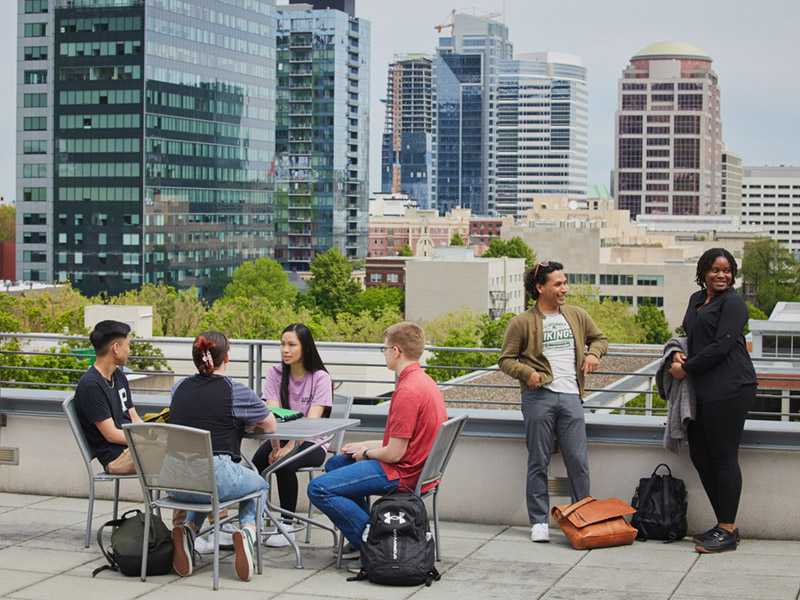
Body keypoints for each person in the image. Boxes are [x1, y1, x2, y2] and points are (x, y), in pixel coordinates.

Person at [307, 322, 447, 572]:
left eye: (383, 349)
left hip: (402, 473)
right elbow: (401, 441)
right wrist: (362, 445)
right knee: (336, 463)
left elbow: (394, 453)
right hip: (415, 467)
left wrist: (365, 454)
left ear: (396, 351)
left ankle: (372, 543)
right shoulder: (424, 382)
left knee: (318, 489)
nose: (383, 354)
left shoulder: (407, 391)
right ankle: (362, 536)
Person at [499, 261, 608, 543]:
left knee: (578, 462)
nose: (564, 289)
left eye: (564, 282)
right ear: (540, 288)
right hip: (538, 397)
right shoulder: (521, 323)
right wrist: (528, 374)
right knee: (538, 461)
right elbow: (506, 360)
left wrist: (594, 354)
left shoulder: (577, 315)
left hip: (571, 396)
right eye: (558, 284)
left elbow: (600, 338)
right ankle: (538, 521)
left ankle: (582, 517)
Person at [168, 330, 277, 582]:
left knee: (205, 488)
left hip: (173, 480)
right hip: (215, 475)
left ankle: (187, 531)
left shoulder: (178, 388)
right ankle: (248, 532)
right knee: (258, 485)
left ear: (195, 358)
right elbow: (269, 425)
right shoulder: (235, 391)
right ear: (226, 357)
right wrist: (245, 424)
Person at [668, 248, 756, 553]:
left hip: (731, 386)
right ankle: (724, 523)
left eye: (727, 270)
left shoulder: (734, 303)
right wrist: (679, 352)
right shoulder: (696, 300)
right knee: (701, 456)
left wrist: (686, 368)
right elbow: (693, 336)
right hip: (703, 387)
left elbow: (721, 346)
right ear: (703, 271)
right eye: (716, 270)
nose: (722, 275)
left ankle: (727, 530)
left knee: (723, 457)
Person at [251, 323, 333, 548]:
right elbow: (272, 414)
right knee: (256, 463)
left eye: (291, 345)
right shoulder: (275, 374)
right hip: (281, 436)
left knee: (284, 465)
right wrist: (276, 446)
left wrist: (289, 448)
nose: (285, 350)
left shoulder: (320, 378)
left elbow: (311, 422)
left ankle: (287, 525)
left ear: (305, 348)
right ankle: (252, 521)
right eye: (282, 344)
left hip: (313, 441)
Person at [74, 320, 142, 474]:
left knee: (174, 448)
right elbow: (111, 435)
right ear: (116, 348)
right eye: (128, 345)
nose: (129, 351)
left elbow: (134, 418)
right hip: (116, 457)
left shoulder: (118, 375)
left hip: (131, 448)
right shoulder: (91, 386)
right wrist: (144, 440)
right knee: (171, 455)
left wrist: (152, 433)